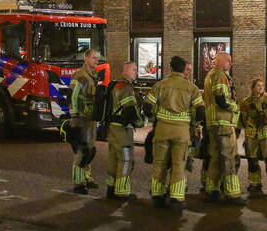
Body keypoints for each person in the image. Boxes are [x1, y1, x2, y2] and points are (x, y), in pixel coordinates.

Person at [146, 56, 204, 211]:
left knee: (160, 162)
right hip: (181, 131)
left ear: (170, 68)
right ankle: (176, 198)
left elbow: (147, 107)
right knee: (179, 164)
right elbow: (200, 111)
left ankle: (157, 195)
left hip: (162, 130)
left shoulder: (159, 85)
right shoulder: (192, 88)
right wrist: (195, 124)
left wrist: (154, 118)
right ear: (183, 68)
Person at [202, 52, 245, 205]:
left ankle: (212, 189)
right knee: (229, 157)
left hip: (213, 123)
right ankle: (232, 193)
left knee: (215, 156)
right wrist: (235, 107)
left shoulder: (210, 75)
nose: (230, 64)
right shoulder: (220, 75)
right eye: (228, 60)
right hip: (224, 122)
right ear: (220, 61)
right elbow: (221, 99)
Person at [105, 61, 145, 200]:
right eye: (134, 69)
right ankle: (121, 191)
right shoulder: (126, 87)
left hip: (112, 128)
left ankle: (111, 187)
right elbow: (129, 110)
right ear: (125, 70)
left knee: (113, 158)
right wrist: (140, 122)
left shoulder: (114, 85)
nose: (136, 72)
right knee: (126, 159)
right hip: (123, 130)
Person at [240, 78, 267, 197]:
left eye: (262, 85)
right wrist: (247, 128)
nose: (261, 87)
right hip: (252, 133)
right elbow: (243, 118)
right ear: (252, 88)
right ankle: (255, 182)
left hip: (266, 133)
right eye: (258, 85)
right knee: (252, 159)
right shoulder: (246, 102)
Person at [68, 48, 102, 194]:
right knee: (81, 151)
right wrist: (75, 115)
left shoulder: (93, 75)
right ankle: (78, 182)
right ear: (86, 58)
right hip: (81, 118)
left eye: (98, 58)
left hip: (90, 118)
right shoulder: (80, 76)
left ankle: (87, 176)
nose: (96, 61)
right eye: (94, 58)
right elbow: (73, 96)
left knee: (90, 149)